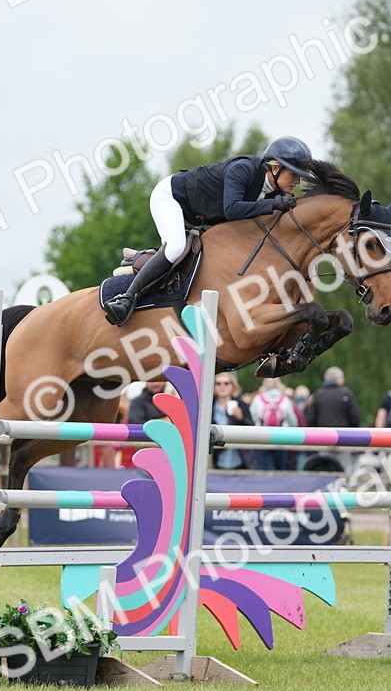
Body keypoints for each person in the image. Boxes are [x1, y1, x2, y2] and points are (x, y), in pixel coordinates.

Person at [103, 136, 313, 326]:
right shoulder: (243, 169)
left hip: (200, 216)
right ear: (275, 168)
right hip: (172, 198)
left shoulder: (272, 193)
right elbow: (231, 209)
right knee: (175, 248)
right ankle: (127, 298)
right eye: (294, 175)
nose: (297, 181)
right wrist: (273, 205)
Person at [250, 377, 299, 470]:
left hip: (262, 439)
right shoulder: (285, 400)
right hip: (282, 439)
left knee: (264, 470)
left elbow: (252, 418)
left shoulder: (257, 399)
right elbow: (294, 422)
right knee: (281, 470)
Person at [210, 372, 253, 470]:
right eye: (218, 383)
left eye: (226, 383)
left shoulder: (241, 404)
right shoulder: (209, 405)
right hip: (215, 457)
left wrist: (241, 418)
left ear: (233, 386)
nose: (222, 386)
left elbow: (251, 426)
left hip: (239, 457)